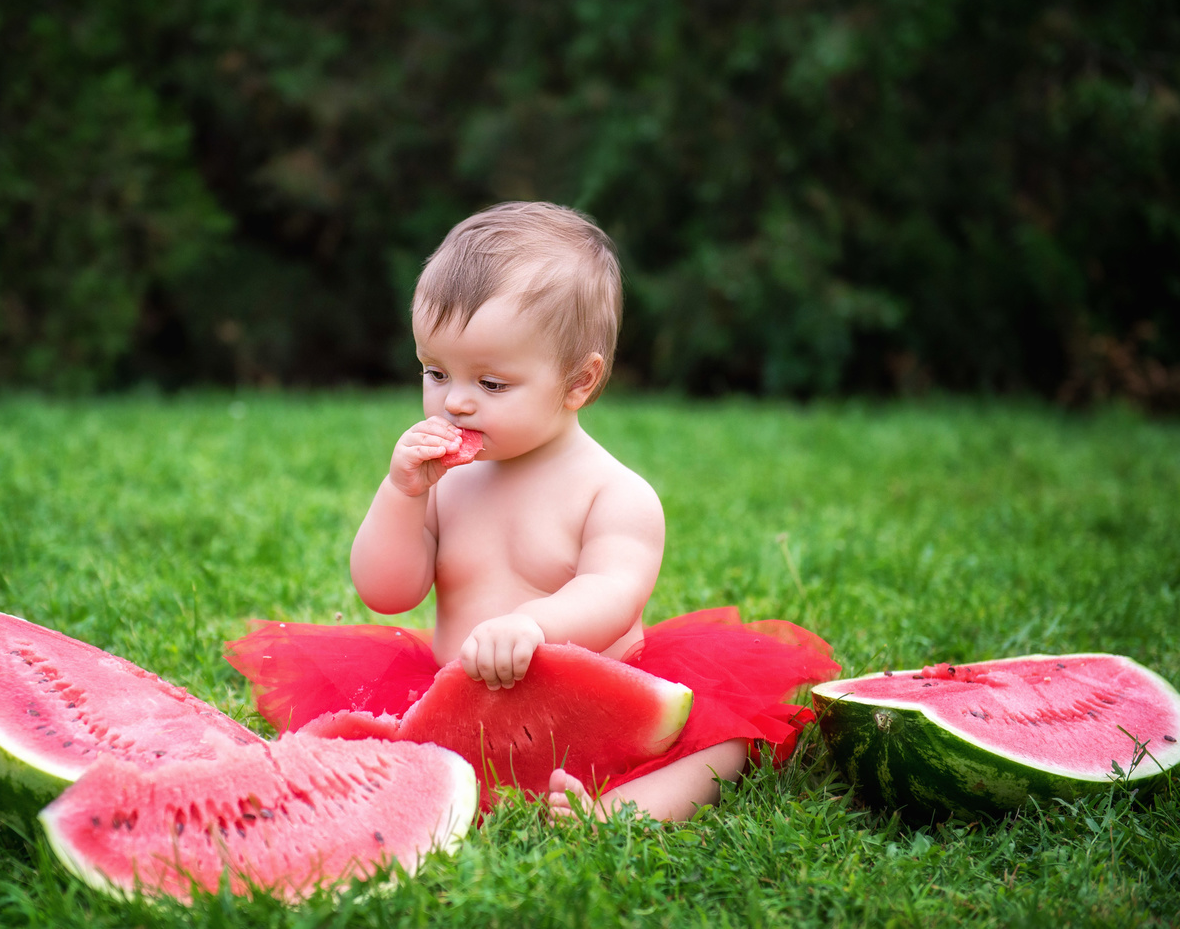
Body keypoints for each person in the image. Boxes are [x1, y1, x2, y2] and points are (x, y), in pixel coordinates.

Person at [228, 202, 838, 821]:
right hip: (453, 696)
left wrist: (534, 626)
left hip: (589, 708)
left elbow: (614, 592)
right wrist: (402, 494)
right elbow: (386, 591)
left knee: (722, 739)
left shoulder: (615, 493)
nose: (456, 402)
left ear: (579, 382)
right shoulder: (445, 483)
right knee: (349, 738)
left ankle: (621, 811)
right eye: (436, 372)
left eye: (491, 384)